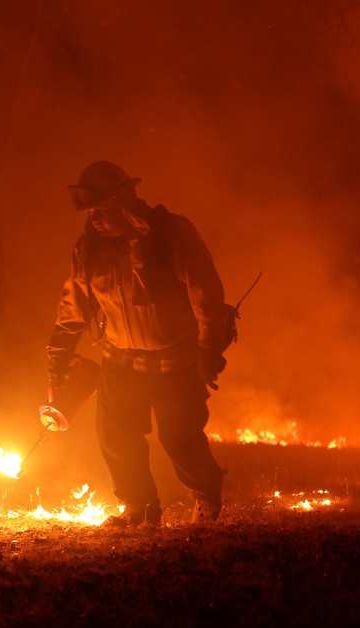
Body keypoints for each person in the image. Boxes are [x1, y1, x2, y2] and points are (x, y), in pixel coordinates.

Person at [47, 161, 228, 526]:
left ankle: (206, 496)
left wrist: (208, 349)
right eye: (92, 212)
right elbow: (72, 308)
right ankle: (139, 509)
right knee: (117, 437)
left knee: (180, 437)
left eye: (104, 210)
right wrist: (58, 356)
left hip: (175, 358)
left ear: (126, 201)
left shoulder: (172, 234)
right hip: (120, 359)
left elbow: (205, 293)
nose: (96, 219)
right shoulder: (89, 249)